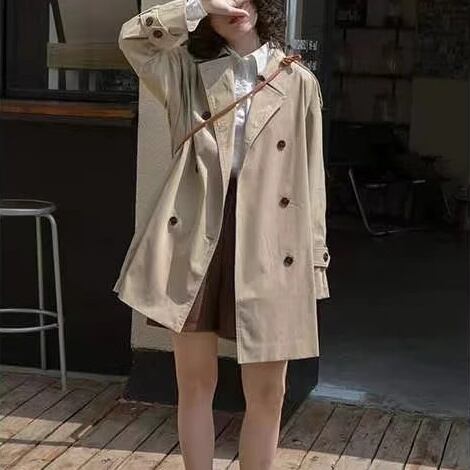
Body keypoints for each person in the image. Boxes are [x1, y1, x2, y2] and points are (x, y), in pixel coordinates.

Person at [115, 0, 331, 468]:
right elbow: (133, 38)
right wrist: (195, 5)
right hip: (199, 233)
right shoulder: (186, 71)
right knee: (195, 384)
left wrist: (315, 263)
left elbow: (312, 183)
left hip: (273, 242)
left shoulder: (299, 82)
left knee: (269, 393)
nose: (235, 6)